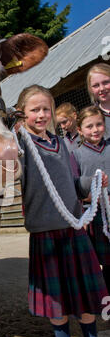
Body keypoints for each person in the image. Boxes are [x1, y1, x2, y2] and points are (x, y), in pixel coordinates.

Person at [16, 84, 110, 337]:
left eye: (46, 109)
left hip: (74, 230)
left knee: (85, 301)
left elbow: (74, 184)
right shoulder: (20, 144)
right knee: (58, 306)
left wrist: (92, 181)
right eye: (35, 109)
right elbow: (7, 164)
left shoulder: (63, 143)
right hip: (46, 235)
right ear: (23, 113)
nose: (42, 114)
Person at [72, 106, 110, 294]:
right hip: (92, 214)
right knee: (95, 261)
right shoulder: (76, 155)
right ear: (79, 130)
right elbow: (75, 186)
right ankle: (100, 299)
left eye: (99, 124)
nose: (95, 130)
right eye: (89, 126)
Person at [86, 63, 110, 136]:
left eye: (106, 82)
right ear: (90, 89)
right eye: (96, 85)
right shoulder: (90, 118)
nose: (102, 88)